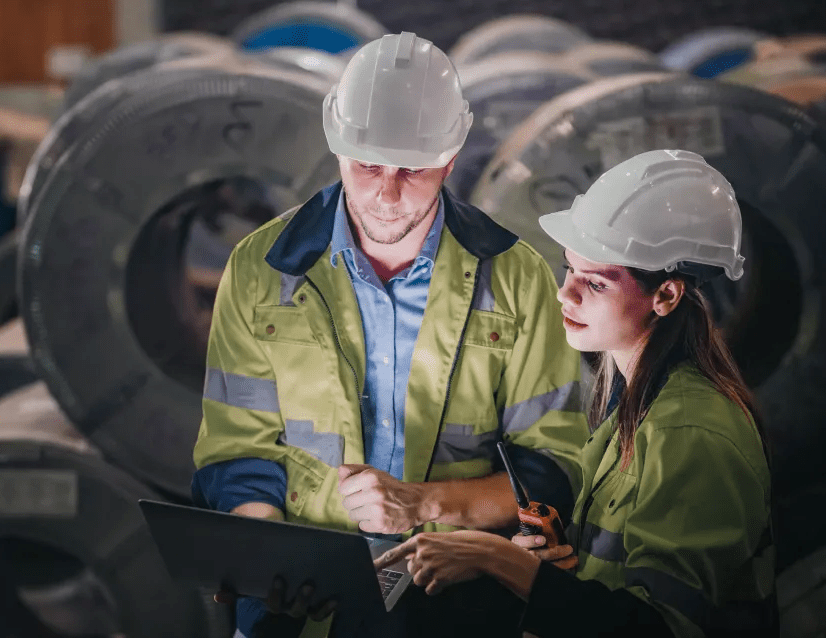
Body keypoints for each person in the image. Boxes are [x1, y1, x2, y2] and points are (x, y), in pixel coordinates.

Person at [190, 31, 590, 638]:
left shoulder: (513, 277)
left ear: (450, 159)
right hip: (300, 607)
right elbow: (238, 448)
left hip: (461, 604)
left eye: (413, 170)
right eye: (367, 164)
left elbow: (552, 466)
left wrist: (425, 504)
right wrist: (260, 561)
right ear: (336, 146)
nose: (385, 191)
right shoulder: (261, 267)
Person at [375, 149, 778, 638]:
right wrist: (563, 567)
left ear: (666, 296)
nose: (566, 294)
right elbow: (620, 581)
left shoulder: (690, 431)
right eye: (570, 270)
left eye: (596, 283)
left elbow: (661, 626)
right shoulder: (635, 405)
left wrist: (497, 557)